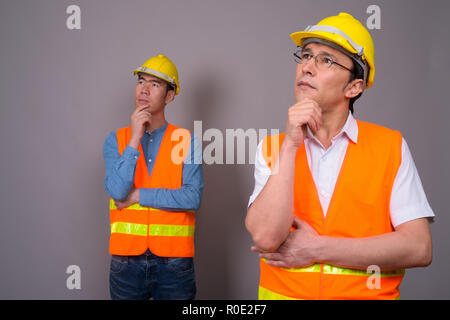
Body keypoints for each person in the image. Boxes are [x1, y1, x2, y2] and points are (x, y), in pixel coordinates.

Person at [245, 12, 435, 300]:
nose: (307, 67)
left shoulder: (389, 146)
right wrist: (289, 147)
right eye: (306, 55)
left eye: (326, 59)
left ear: (353, 87)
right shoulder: (273, 148)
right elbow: (265, 238)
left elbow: (419, 248)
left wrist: (317, 249)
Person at [103, 54, 203, 300]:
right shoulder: (116, 140)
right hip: (125, 263)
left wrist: (138, 195)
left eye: (155, 84)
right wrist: (135, 138)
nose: (144, 89)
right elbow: (117, 191)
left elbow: (192, 197)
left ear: (169, 96)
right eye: (141, 81)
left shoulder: (187, 140)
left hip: (175, 264)